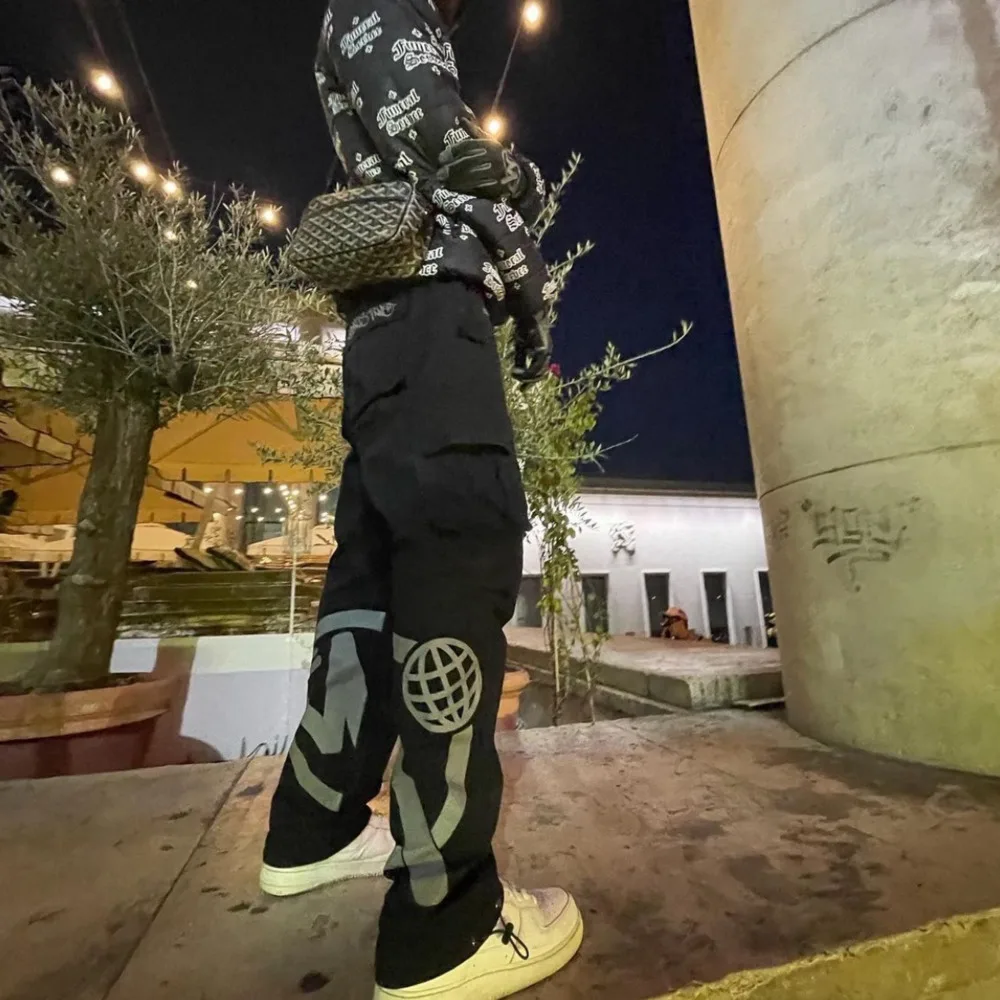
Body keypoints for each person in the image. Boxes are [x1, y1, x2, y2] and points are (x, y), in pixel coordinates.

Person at [259, 1, 583, 998]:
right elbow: (452, 151)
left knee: (373, 574)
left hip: (385, 330)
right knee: (457, 548)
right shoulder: (383, 5)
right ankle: (444, 923)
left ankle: (315, 824)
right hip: (433, 315)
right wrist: (526, 183)